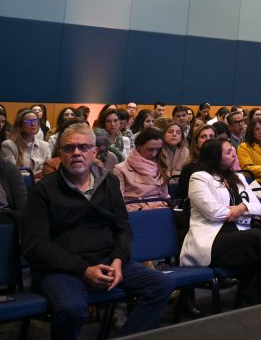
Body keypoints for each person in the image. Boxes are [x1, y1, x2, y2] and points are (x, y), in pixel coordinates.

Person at [21, 122, 174, 340]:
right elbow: (35, 246)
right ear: (61, 154)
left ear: (94, 152)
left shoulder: (108, 182)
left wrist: (118, 261)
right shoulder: (43, 191)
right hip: (61, 269)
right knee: (72, 308)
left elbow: (123, 229)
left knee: (162, 285)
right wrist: (84, 269)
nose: (76, 153)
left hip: (107, 261)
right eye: (69, 148)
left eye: (83, 147)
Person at [180, 140, 261, 306]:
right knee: (256, 237)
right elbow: (213, 212)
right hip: (212, 241)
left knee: (260, 259)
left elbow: (259, 208)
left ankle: (251, 305)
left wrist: (241, 208)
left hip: (239, 237)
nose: (234, 154)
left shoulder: (239, 177)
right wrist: (245, 212)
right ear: (215, 157)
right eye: (228, 152)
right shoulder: (199, 178)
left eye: (233, 150)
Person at [113, 127, 170, 210]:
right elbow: (118, 203)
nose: (154, 154)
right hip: (136, 212)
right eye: (150, 149)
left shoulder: (161, 164)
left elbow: (165, 196)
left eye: (158, 149)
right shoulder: (121, 169)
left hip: (161, 209)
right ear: (139, 146)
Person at [2, 108, 51, 178]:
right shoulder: (8, 145)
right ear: (20, 125)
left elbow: (47, 170)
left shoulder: (45, 146)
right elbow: (10, 174)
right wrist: (32, 176)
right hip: (17, 184)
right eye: (28, 121)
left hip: (41, 183)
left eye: (35, 120)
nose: (33, 124)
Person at [237, 116, 261, 182]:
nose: (260, 132)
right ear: (251, 131)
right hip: (256, 182)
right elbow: (247, 169)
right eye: (256, 129)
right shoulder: (243, 147)